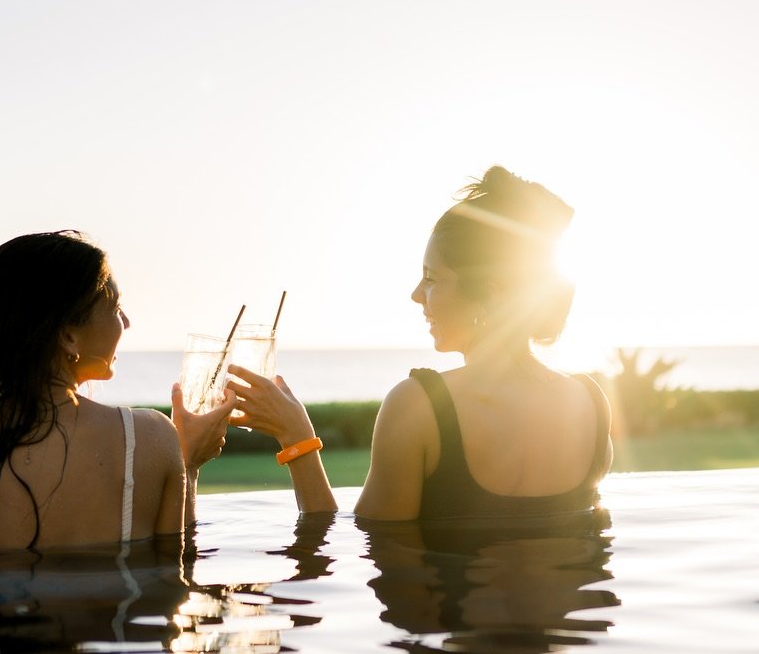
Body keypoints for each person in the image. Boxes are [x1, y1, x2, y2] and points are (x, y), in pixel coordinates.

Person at [230, 166, 612, 520]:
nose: (416, 294)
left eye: (432, 278)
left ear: (491, 296)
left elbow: (342, 549)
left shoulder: (418, 408)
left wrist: (296, 437)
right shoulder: (590, 403)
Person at [0, 231, 235, 554]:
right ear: (68, 335)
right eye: (115, 307)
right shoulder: (152, 439)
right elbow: (174, 580)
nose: (125, 323)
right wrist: (186, 464)